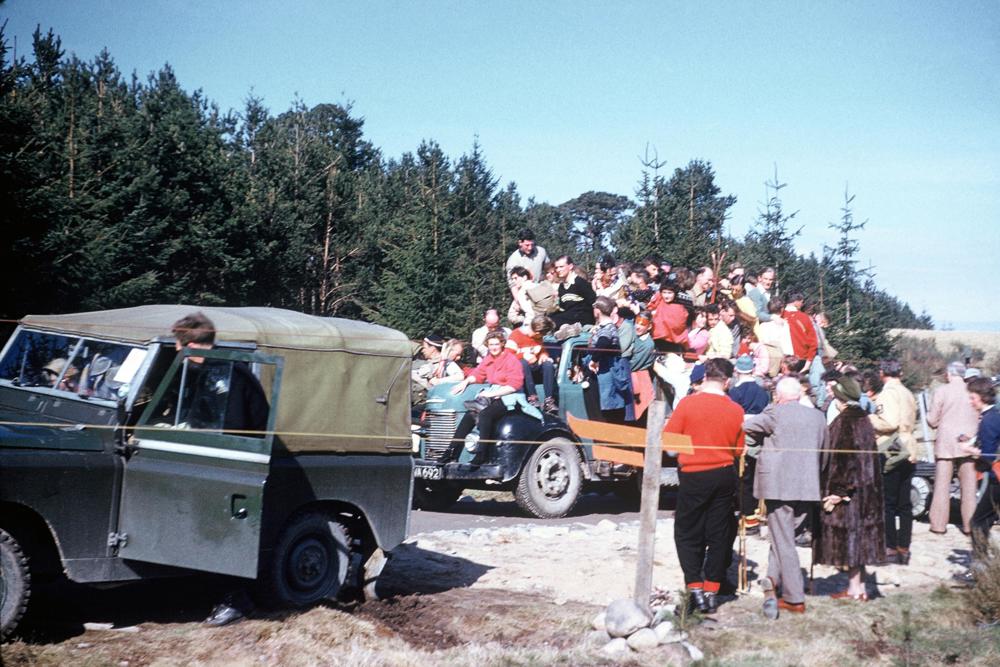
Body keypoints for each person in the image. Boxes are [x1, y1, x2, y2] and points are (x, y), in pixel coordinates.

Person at [170, 312, 270, 628]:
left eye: (178, 343)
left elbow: (237, 428)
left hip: (230, 465)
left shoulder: (228, 376)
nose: (175, 349)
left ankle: (236, 601)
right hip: (215, 460)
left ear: (192, 345)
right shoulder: (208, 372)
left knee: (223, 534)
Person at [665, 358, 746, 614]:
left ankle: (694, 586)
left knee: (687, 531)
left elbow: (669, 446)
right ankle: (712, 588)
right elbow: (739, 449)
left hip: (694, 473)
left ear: (705, 377)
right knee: (719, 531)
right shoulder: (736, 410)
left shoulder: (687, 404)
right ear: (728, 381)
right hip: (723, 472)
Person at [743, 376, 826, 617]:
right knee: (785, 536)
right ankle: (772, 578)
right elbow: (825, 452)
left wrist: (771, 407)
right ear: (799, 394)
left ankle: (794, 597)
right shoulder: (818, 417)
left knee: (784, 540)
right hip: (808, 485)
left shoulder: (774, 413)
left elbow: (746, 427)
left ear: (778, 396)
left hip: (779, 486)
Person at [814, 376, 887, 601]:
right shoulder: (864, 420)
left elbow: (844, 462)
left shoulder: (845, 422)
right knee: (861, 540)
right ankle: (860, 587)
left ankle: (856, 590)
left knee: (853, 540)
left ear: (840, 399)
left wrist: (838, 493)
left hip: (851, 493)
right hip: (867, 492)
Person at [445, 330, 524, 463]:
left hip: (511, 397)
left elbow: (514, 385)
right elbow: (478, 374)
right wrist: (466, 381)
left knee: (486, 414)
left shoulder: (511, 360)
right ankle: (451, 452)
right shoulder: (488, 360)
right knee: (470, 413)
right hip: (494, 395)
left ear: (502, 344)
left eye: (496, 344)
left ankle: (482, 453)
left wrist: (491, 393)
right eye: (490, 344)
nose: (493, 347)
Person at [870, 359, 919, 565]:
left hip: (892, 448)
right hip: (909, 447)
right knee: (904, 502)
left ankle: (889, 547)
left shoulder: (887, 394)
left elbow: (889, 423)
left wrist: (870, 417)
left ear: (882, 373)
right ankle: (904, 548)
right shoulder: (907, 393)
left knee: (887, 502)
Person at [926, 361, 981, 535]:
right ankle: (970, 526)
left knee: (942, 485)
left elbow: (932, 420)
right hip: (969, 443)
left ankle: (938, 526)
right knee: (970, 488)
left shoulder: (941, 391)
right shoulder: (973, 392)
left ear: (949, 374)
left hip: (946, 443)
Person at [729, 354, 770, 536]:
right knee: (753, 476)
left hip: (743, 433)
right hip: (759, 435)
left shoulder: (735, 392)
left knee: (742, 478)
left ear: (737, 370)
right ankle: (753, 514)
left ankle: (747, 517)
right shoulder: (763, 392)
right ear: (753, 369)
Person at [965, 377, 1000, 571]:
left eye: (972, 397)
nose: (970, 402)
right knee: (984, 520)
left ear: (982, 398)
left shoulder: (988, 420)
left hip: (994, 478)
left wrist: (970, 451)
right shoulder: (994, 416)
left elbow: (988, 456)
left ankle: (979, 568)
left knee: (978, 522)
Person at [585, 296, 633, 423]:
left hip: (607, 371)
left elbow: (603, 343)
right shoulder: (603, 327)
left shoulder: (608, 328)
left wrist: (594, 360)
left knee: (610, 409)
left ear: (597, 310)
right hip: (604, 371)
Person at [507, 315, 557, 413]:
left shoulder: (538, 338)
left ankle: (549, 401)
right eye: (542, 335)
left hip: (535, 368)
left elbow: (542, 350)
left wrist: (544, 355)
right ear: (538, 332)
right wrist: (523, 355)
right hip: (521, 372)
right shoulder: (515, 335)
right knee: (523, 363)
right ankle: (532, 398)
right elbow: (507, 356)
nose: (542, 337)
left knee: (548, 364)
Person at [551, 255, 598, 331]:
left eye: (561, 267)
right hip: (568, 317)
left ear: (570, 266)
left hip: (583, 319)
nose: (558, 270)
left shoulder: (580, 282)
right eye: (556, 267)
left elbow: (593, 301)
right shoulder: (561, 287)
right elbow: (563, 308)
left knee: (553, 321)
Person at [505, 228, 550, 299]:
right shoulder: (513, 260)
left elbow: (549, 269)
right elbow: (512, 285)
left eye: (532, 244)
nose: (530, 248)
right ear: (520, 243)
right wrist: (518, 301)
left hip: (541, 292)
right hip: (523, 295)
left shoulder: (541, 252)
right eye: (527, 245)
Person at [650, 280, 689, 353]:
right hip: (656, 342)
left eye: (670, 293)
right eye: (664, 292)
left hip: (673, 344)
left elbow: (678, 326)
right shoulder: (658, 302)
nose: (666, 296)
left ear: (675, 293)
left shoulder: (679, 309)